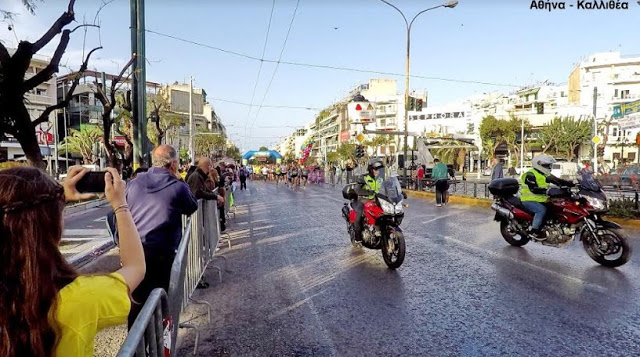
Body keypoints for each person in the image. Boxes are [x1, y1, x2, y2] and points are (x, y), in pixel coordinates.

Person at [0, 166, 145, 357]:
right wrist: (120, 205)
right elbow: (135, 266)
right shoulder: (77, 298)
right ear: (53, 226)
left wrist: (56, 198)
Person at [125, 145, 198, 328]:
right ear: (173, 164)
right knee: (160, 302)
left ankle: (135, 349)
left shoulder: (133, 183)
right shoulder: (177, 186)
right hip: (162, 254)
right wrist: (180, 178)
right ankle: (159, 346)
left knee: (136, 304)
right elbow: (192, 206)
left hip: (134, 252)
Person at [520, 154, 574, 238]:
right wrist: (549, 191)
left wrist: (572, 184)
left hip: (543, 199)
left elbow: (557, 180)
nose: (548, 167)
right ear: (539, 164)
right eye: (546, 165)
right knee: (541, 210)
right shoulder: (530, 174)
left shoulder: (545, 174)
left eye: (549, 165)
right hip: (528, 200)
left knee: (560, 205)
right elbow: (534, 189)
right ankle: (534, 231)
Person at [352, 160, 384, 242]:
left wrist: (400, 192)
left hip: (377, 201)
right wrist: (367, 192)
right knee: (358, 218)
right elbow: (357, 189)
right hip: (364, 200)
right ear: (370, 169)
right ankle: (357, 238)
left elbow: (389, 186)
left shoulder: (381, 179)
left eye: (379, 169)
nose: (377, 171)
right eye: (375, 169)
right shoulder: (364, 178)